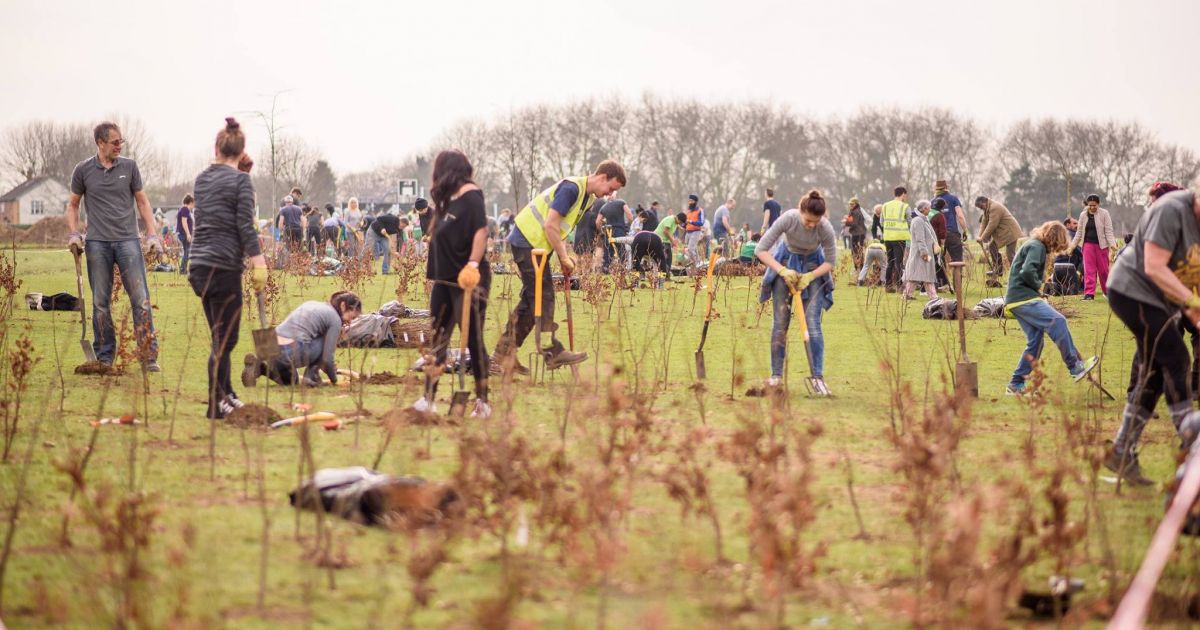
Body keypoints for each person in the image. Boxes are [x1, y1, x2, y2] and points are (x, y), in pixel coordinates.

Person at [1103, 188, 1200, 486]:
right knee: (1176, 357)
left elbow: (1192, 280)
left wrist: (1195, 311)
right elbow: (1154, 266)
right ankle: (1191, 436)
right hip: (1131, 291)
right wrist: (1192, 302)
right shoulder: (1171, 210)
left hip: (1161, 302)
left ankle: (1121, 451)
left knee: (1154, 374)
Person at [494, 160, 626, 373]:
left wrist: (564, 256)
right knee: (544, 296)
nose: (609, 194)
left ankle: (502, 355)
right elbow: (550, 225)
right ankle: (552, 352)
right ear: (602, 177)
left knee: (531, 301)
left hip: (536, 245)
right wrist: (563, 257)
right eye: (611, 188)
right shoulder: (571, 189)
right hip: (527, 241)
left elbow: (561, 229)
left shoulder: (587, 198)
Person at [187, 117, 268, 418]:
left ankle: (228, 394)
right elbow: (244, 226)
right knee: (226, 340)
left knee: (218, 336)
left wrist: (241, 173)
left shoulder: (201, 179)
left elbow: (222, 201)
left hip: (199, 267)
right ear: (242, 151)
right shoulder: (241, 182)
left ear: (216, 148)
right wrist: (259, 262)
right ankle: (216, 404)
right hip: (223, 267)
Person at [65, 121, 163, 371]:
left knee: (140, 299)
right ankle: (104, 357)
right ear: (100, 143)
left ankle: (148, 356)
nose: (120, 146)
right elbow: (73, 205)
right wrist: (74, 233)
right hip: (97, 243)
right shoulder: (83, 170)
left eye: (121, 142)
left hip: (128, 241)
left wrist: (152, 234)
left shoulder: (129, 167)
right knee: (100, 302)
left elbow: (142, 202)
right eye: (115, 142)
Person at [411, 150, 492, 418]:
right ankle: (428, 398)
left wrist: (472, 264)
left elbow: (481, 231)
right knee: (438, 339)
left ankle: (482, 402)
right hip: (443, 280)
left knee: (473, 339)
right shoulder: (447, 200)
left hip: (467, 280)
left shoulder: (471, 195)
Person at [1003, 220, 1098, 396]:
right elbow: (1027, 271)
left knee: (1036, 342)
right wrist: (1038, 288)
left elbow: (1026, 272)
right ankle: (1075, 367)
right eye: (1058, 244)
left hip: (1017, 298)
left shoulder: (1034, 245)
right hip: (1023, 298)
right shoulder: (1037, 246)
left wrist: (1038, 293)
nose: (1056, 249)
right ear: (1054, 239)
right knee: (1058, 321)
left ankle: (1015, 384)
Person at [756, 190, 836, 395]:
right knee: (780, 324)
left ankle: (817, 378)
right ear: (801, 211)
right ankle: (776, 377)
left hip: (813, 268)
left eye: (815, 222)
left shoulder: (825, 228)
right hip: (784, 264)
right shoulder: (789, 219)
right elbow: (761, 250)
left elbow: (830, 261)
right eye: (808, 220)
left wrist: (810, 276)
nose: (811, 225)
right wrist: (782, 271)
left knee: (813, 324)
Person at [243, 292, 361, 387]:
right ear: (343, 306)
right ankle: (311, 377)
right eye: (352, 317)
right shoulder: (335, 319)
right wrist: (335, 380)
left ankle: (260, 367)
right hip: (287, 351)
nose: (350, 322)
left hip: (266, 343)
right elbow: (327, 358)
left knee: (292, 381)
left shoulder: (313, 304)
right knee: (326, 342)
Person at [1069, 194, 1117, 301]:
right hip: (1088, 245)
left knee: (1103, 271)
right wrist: (1072, 246)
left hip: (1102, 246)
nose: (1092, 207)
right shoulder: (1083, 215)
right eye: (1090, 205)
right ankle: (1089, 294)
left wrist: (1113, 245)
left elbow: (1109, 231)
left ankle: (1107, 292)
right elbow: (1079, 233)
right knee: (1089, 270)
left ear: (1098, 204)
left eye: (1094, 205)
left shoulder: (1104, 214)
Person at [975, 196, 1022, 286]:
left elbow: (992, 225)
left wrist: (982, 237)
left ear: (985, 202)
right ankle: (998, 269)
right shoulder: (987, 209)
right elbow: (983, 223)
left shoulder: (994, 207)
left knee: (1010, 255)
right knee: (992, 247)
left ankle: (1018, 277)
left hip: (1010, 232)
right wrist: (979, 236)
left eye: (981, 207)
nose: (981, 209)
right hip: (1004, 233)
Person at [902, 200, 939, 300]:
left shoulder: (924, 219)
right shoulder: (918, 221)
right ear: (924, 209)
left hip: (925, 251)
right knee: (919, 274)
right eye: (928, 208)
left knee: (925, 273)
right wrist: (924, 252)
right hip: (920, 252)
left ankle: (908, 295)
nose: (930, 210)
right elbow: (920, 238)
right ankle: (933, 296)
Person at [880, 187, 911, 292]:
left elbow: (881, 222)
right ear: (903, 194)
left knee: (890, 262)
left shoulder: (885, 205)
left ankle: (888, 286)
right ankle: (899, 286)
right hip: (899, 237)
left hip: (888, 237)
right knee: (899, 262)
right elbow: (910, 222)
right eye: (905, 195)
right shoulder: (905, 206)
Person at [933, 179, 969, 263]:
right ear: (946, 187)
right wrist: (965, 230)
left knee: (939, 263)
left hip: (938, 236)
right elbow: (960, 216)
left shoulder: (932, 202)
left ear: (936, 189)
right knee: (957, 262)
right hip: (952, 234)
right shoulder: (953, 199)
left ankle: (941, 272)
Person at [597, 194, 632, 272]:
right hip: (620, 230)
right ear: (614, 197)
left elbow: (597, 222)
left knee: (608, 251)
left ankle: (605, 268)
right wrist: (628, 225)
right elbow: (629, 215)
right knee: (621, 250)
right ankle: (623, 268)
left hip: (608, 231)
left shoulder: (603, 207)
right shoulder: (621, 202)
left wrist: (602, 231)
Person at [368, 209, 401, 274]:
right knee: (367, 249)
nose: (402, 227)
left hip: (384, 236)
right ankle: (360, 268)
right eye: (402, 225)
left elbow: (394, 240)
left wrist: (395, 252)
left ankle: (385, 271)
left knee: (387, 251)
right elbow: (379, 218)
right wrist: (382, 228)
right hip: (373, 231)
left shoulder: (398, 230)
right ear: (400, 222)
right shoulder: (393, 218)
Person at [844, 197, 868, 271]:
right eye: (850, 204)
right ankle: (860, 267)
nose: (850, 205)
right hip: (861, 233)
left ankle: (857, 268)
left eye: (852, 204)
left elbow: (854, 223)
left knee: (855, 251)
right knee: (859, 251)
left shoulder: (854, 212)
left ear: (856, 204)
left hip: (857, 234)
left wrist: (846, 222)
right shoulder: (859, 210)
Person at [682, 194, 705, 266]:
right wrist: (683, 224)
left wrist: (691, 221)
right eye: (689, 200)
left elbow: (701, 222)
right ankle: (699, 263)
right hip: (688, 232)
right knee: (693, 249)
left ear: (695, 202)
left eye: (692, 201)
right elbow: (685, 222)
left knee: (690, 249)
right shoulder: (688, 211)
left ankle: (695, 264)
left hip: (696, 232)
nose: (690, 202)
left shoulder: (700, 210)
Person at [176, 193, 195, 275]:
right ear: (190, 202)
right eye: (193, 204)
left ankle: (183, 270)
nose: (193, 206)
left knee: (186, 252)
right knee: (186, 252)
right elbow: (184, 223)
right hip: (184, 234)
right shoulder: (185, 209)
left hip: (184, 234)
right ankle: (183, 270)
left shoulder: (183, 209)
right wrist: (188, 234)